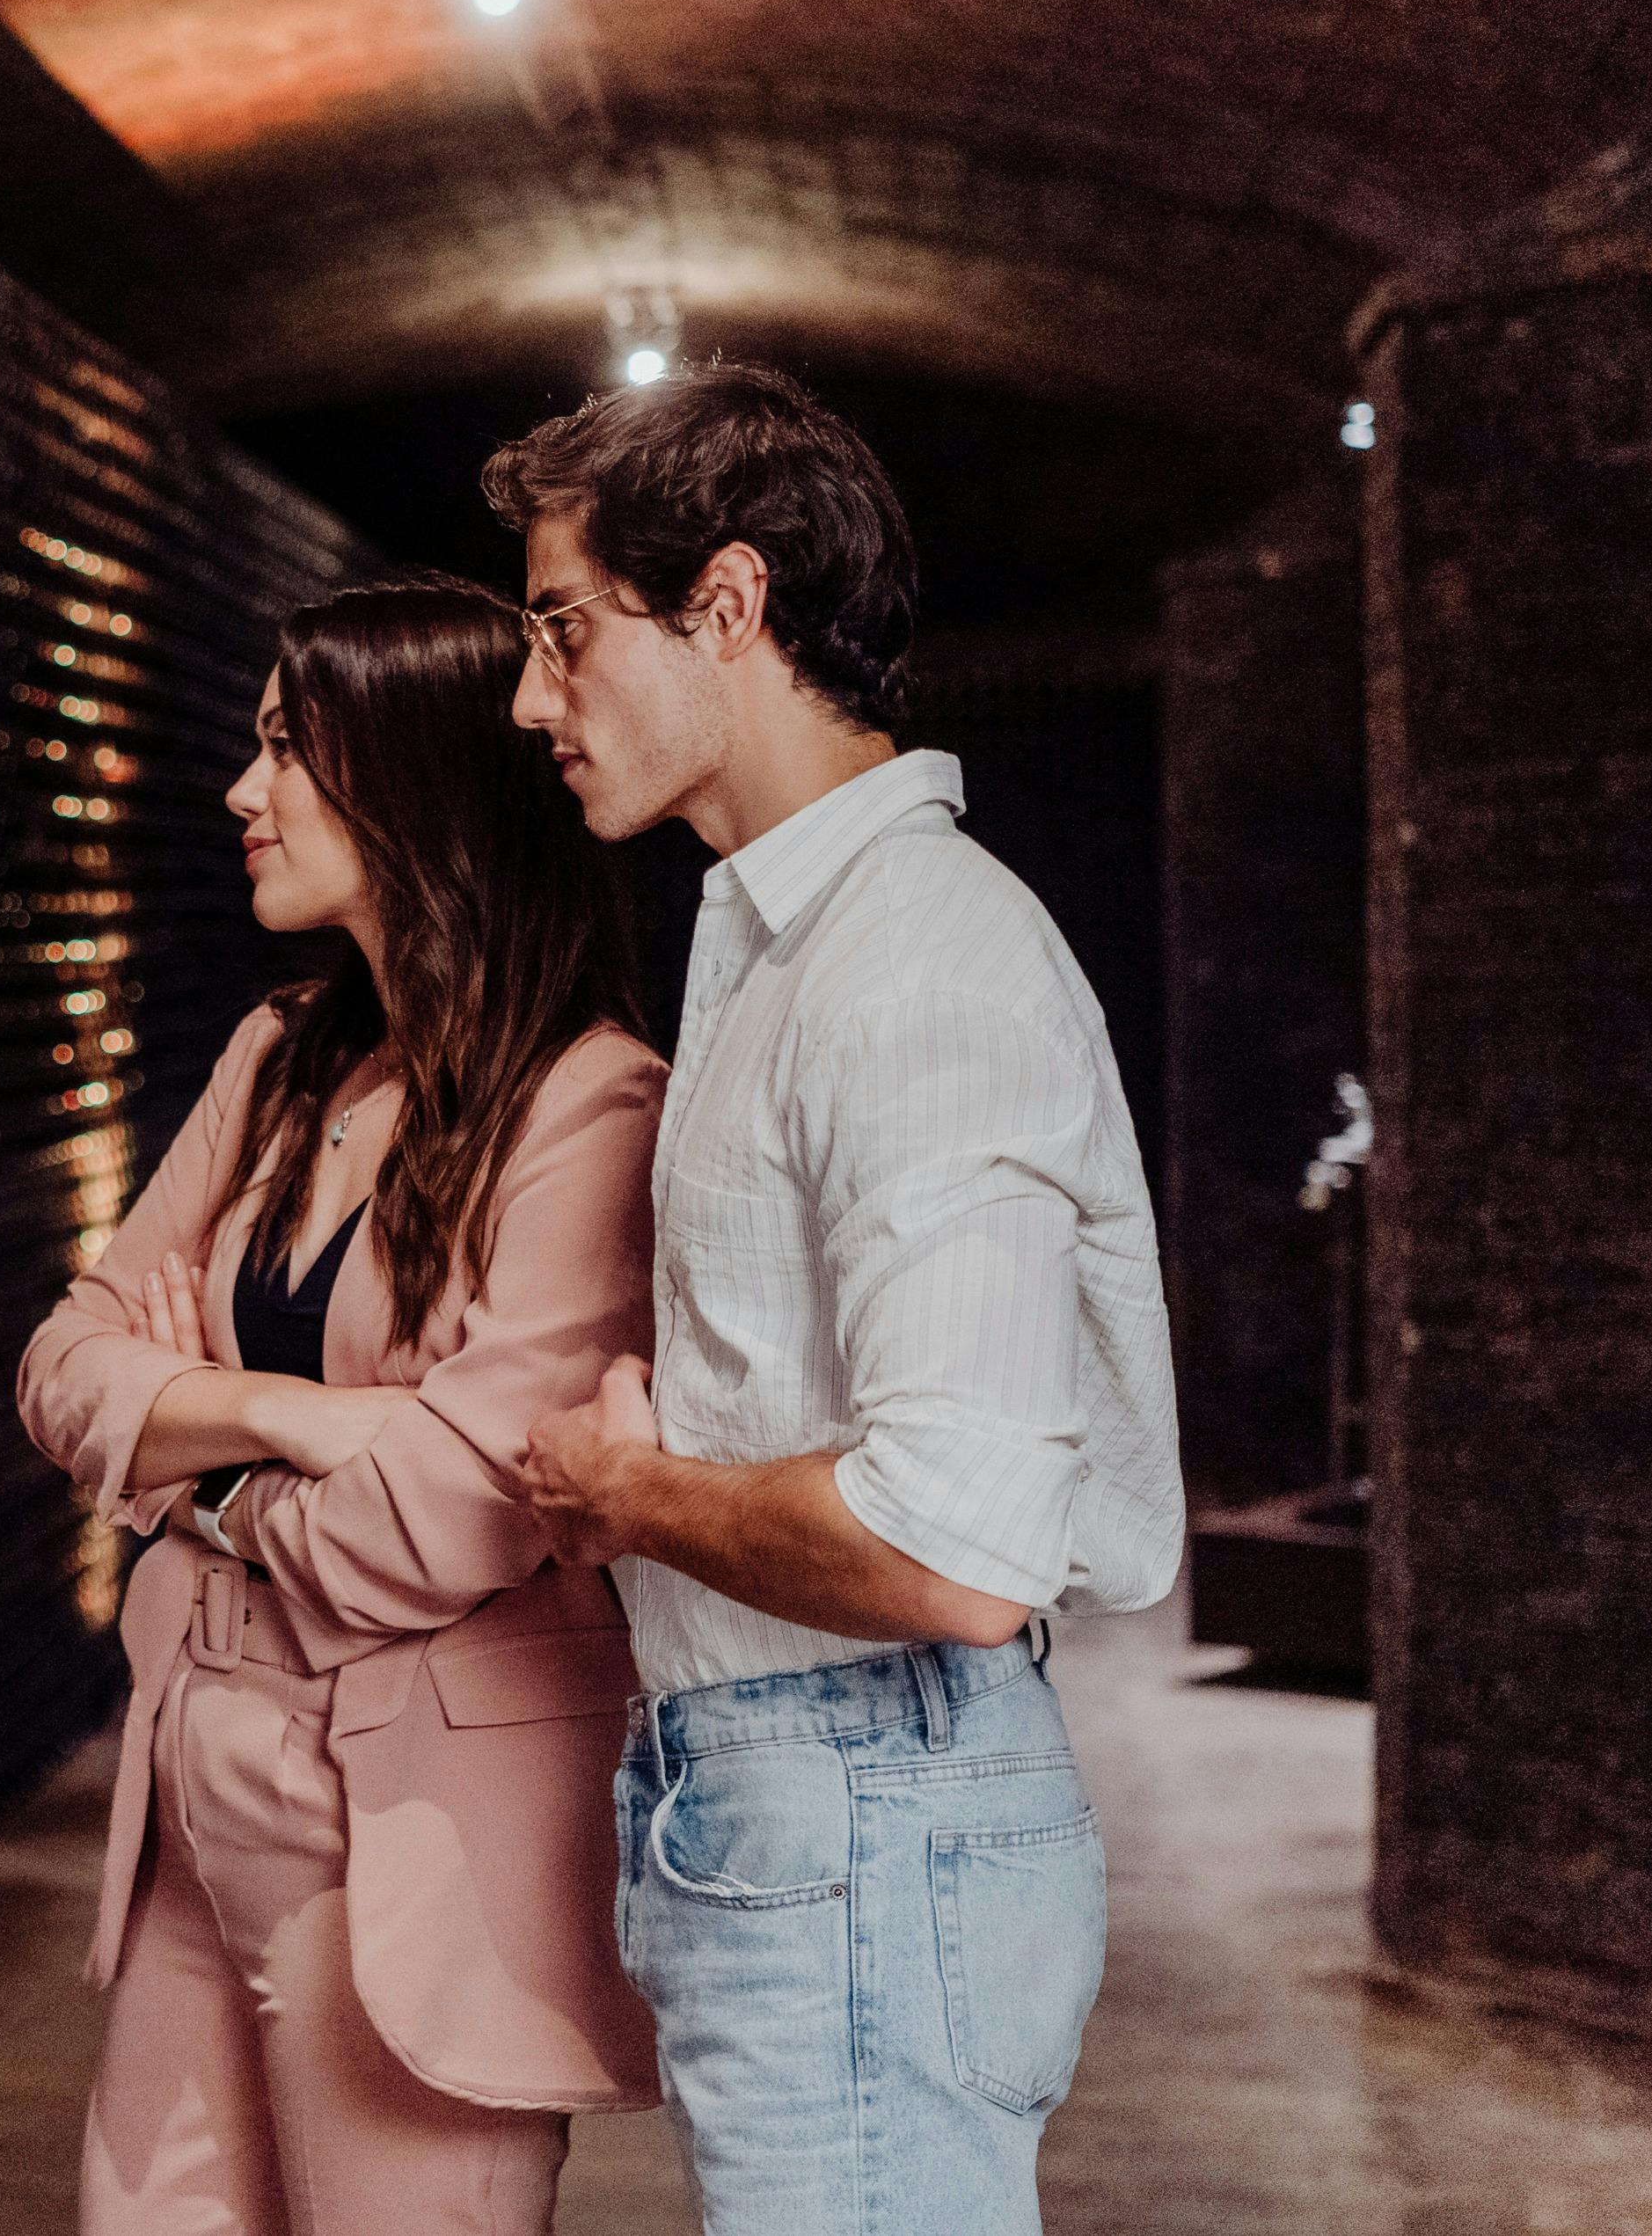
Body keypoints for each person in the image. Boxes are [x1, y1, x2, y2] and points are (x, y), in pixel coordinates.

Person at [486, 362, 1183, 2235]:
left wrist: (623, 1497)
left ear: (724, 604)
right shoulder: (779, 940)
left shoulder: (913, 964)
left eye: (563, 634)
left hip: (865, 1791)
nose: (528, 698)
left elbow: (948, 1552)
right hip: (807, 1789)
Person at [19, 576, 666, 2236]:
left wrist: (186, 1461)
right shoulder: (278, 1055)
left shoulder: (591, 1098)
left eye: (286, 748)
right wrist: (286, 1412)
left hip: (412, 1818)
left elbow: (451, 1508)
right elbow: (62, 1365)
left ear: (418, 778)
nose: (245, 792)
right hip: (194, 1771)